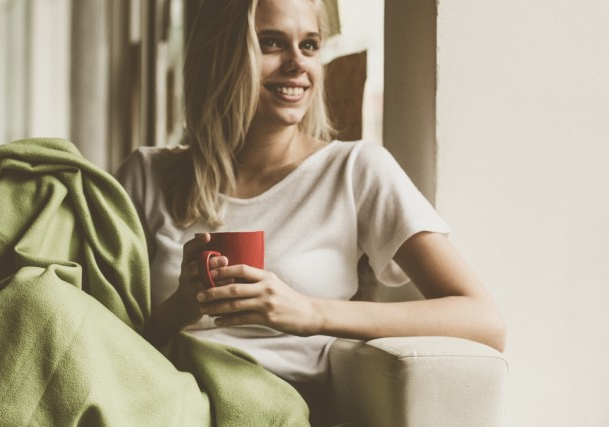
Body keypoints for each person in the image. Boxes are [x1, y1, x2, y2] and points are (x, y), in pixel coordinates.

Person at [115, 0, 506, 420]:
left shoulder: (354, 170)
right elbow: (101, 336)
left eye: (310, 45)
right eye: (271, 43)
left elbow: (482, 319)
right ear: (221, 52)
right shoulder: (146, 175)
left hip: (278, 407)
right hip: (156, 400)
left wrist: (308, 311)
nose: (297, 63)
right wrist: (181, 307)